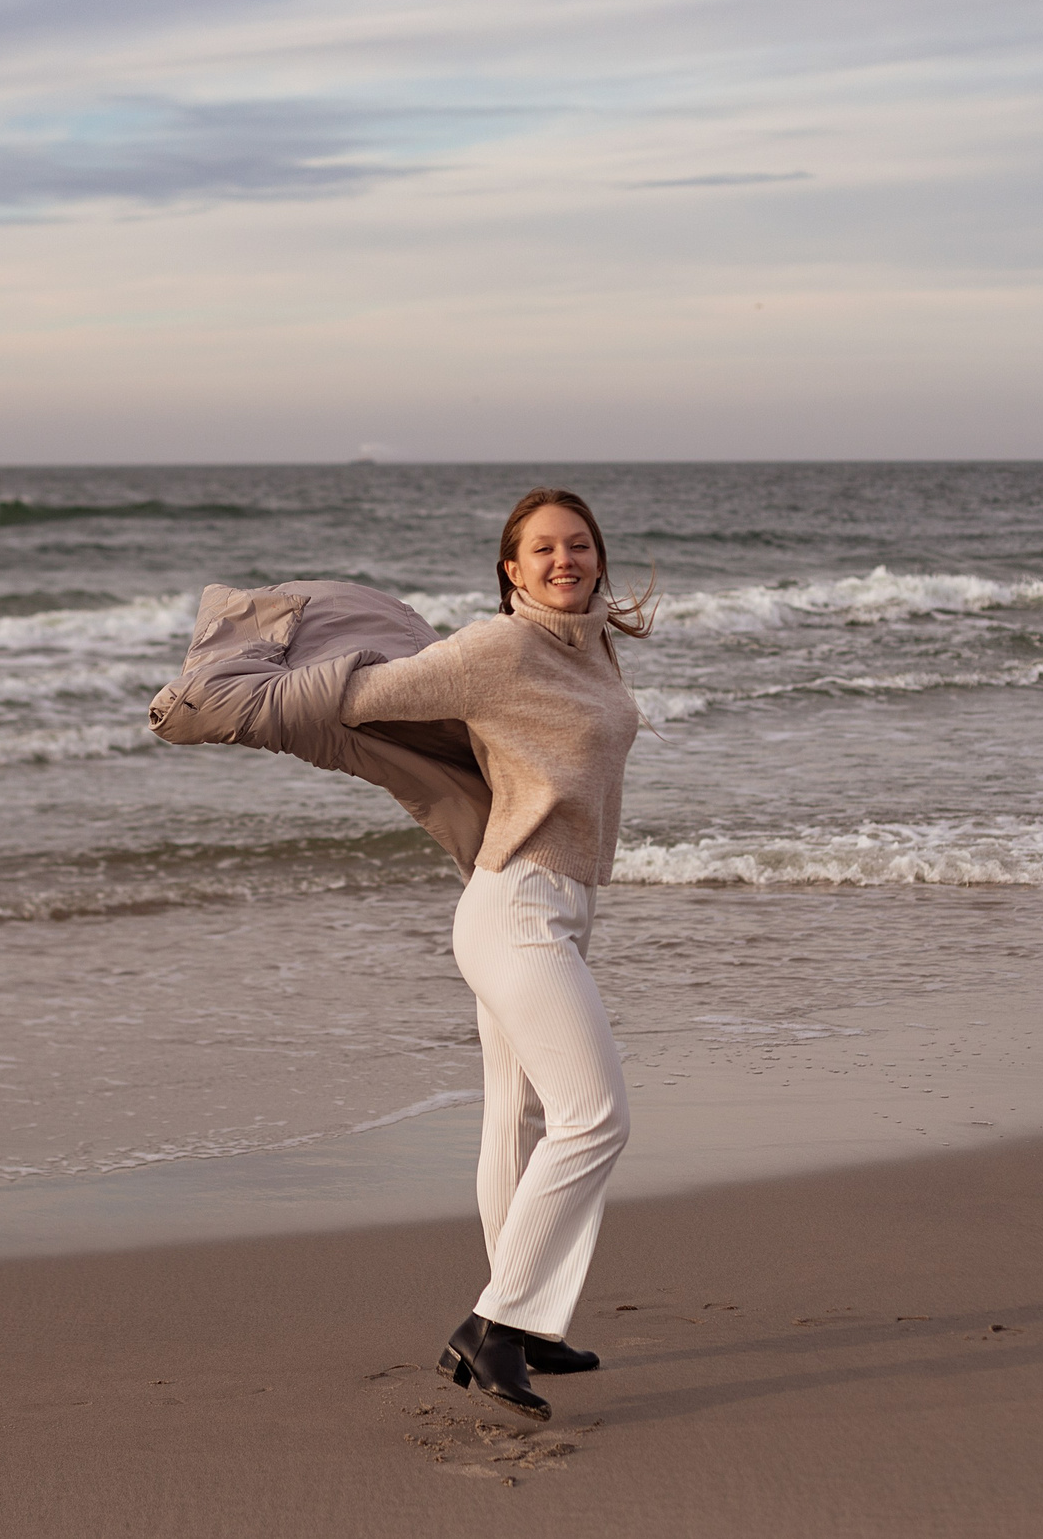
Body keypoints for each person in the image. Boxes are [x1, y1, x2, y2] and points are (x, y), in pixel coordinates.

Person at [336, 487, 651, 1421]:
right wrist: (271, 685)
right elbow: (365, 698)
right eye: (544, 549)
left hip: (560, 904)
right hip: (515, 907)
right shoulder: (499, 647)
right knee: (595, 1117)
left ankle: (532, 1326)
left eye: (580, 545)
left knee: (515, 1119)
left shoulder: (588, 645)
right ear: (511, 570)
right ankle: (494, 1326)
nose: (566, 560)